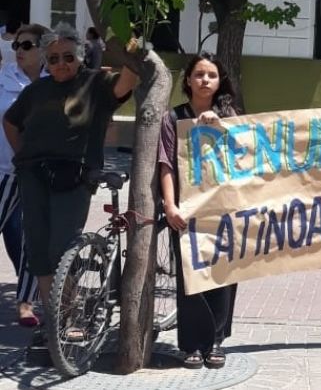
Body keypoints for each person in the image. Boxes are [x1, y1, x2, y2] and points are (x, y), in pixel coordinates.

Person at [2, 23, 139, 341]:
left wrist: (132, 49)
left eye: (68, 56)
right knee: (38, 248)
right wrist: (22, 155)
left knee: (62, 247)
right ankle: (56, 322)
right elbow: (10, 121)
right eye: (53, 59)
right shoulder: (37, 90)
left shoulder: (95, 83)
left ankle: (70, 317)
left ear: (80, 56)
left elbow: (127, 82)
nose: (61, 64)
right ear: (46, 61)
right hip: (34, 174)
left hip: (75, 175)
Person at [158, 52, 238, 369]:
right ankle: (192, 344)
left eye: (212, 75)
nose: (205, 80)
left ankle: (216, 341)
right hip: (187, 211)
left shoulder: (230, 114)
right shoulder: (173, 118)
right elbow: (166, 164)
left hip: (222, 210)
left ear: (220, 82)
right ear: (188, 80)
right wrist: (169, 205)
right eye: (199, 74)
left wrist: (222, 127)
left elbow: (245, 154)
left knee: (222, 274)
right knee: (190, 277)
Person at [0, 24, 50, 327]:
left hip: (38, 174)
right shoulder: (5, 77)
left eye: (27, 46)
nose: (19, 51)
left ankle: (26, 304)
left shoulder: (53, 81)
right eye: (17, 45)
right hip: (5, 169)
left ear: (43, 49)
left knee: (33, 238)